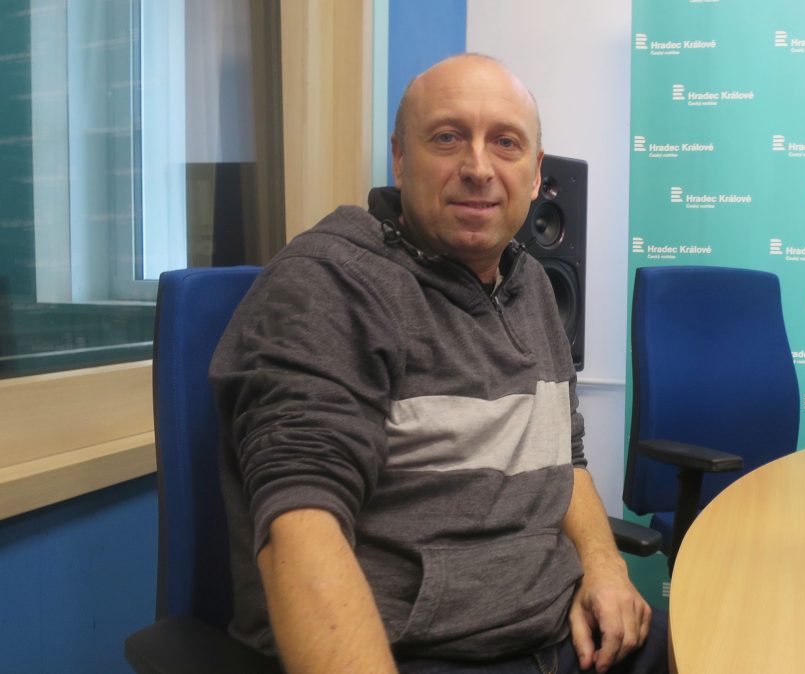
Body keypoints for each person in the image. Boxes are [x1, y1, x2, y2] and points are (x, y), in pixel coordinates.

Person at [210, 53, 666, 674]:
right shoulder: (329, 285)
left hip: (558, 631)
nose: (478, 168)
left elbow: (565, 454)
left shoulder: (530, 284)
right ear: (400, 159)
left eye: (505, 143)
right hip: (417, 652)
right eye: (448, 137)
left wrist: (605, 565)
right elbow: (301, 524)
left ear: (536, 174)